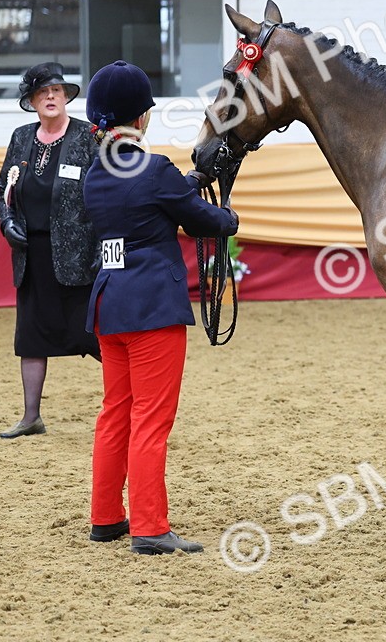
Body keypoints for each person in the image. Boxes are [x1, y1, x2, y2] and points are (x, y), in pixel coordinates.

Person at [82, 60, 238, 554]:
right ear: (142, 118)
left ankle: (106, 516)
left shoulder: (95, 174)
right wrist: (228, 216)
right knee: (152, 419)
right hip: (152, 309)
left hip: (110, 304)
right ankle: (150, 526)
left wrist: (189, 181)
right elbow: (200, 220)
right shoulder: (154, 170)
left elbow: (158, 199)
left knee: (116, 413)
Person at [0, 62, 100, 439]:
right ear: (32, 100)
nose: (51, 97)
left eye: (57, 90)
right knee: (31, 338)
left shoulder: (90, 136)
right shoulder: (21, 138)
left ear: (66, 96)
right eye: (43, 92)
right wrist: (7, 222)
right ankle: (30, 417)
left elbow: (104, 191)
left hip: (78, 256)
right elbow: (3, 189)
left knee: (99, 336)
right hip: (32, 255)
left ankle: (133, 411)